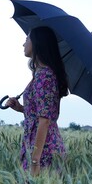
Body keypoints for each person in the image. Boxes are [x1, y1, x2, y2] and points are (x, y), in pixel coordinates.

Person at [5, 26, 68, 176]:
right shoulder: (41, 74)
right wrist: (21, 108)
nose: (23, 44)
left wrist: (35, 160)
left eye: (27, 39)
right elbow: (38, 113)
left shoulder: (44, 76)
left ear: (37, 43)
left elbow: (45, 120)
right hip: (39, 145)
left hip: (43, 148)